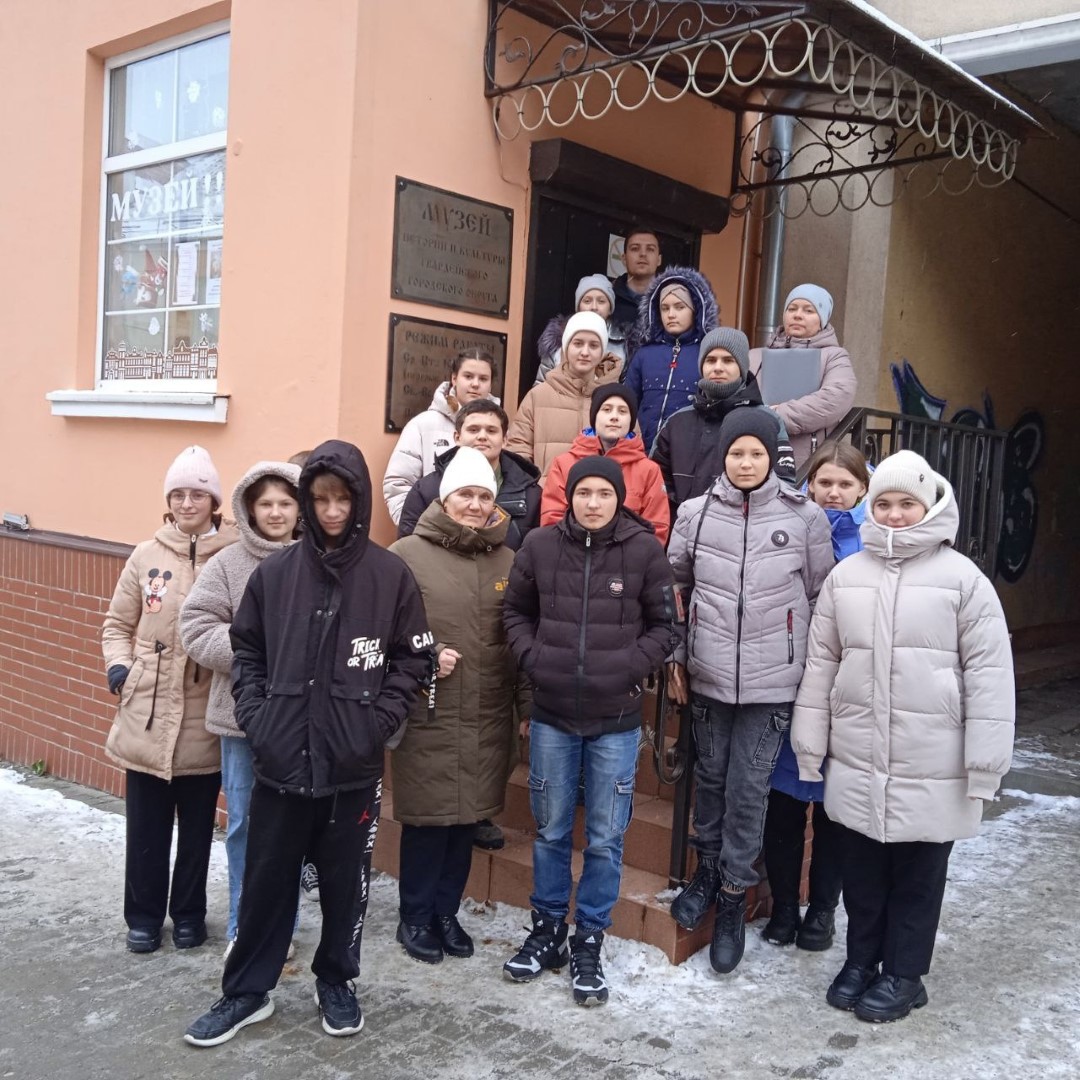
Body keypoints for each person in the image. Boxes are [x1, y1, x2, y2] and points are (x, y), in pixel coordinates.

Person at [184, 440, 433, 1047]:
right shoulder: (274, 576)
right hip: (280, 761)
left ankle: (337, 981)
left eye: (342, 499)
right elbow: (246, 650)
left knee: (346, 887)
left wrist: (377, 723)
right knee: (266, 882)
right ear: (305, 502)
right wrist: (259, 718)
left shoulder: (390, 576)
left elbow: (412, 659)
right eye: (320, 499)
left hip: (353, 767)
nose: (331, 511)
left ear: (359, 501)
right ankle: (247, 991)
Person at [791, 450, 1015, 1023]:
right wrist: (810, 745)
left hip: (933, 760)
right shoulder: (846, 577)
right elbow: (821, 666)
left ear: (929, 507)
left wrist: (985, 765)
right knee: (863, 872)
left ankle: (904, 974)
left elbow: (990, 677)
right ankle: (861, 961)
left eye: (906, 504)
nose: (893, 514)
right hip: (860, 755)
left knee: (918, 876)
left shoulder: (964, 581)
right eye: (884, 503)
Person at [502, 456, 677, 1006]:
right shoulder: (539, 546)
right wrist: (535, 659)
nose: (593, 502)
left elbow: (666, 625)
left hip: (615, 720)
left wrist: (627, 666)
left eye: (604, 493)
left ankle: (589, 938)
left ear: (619, 498)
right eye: (584, 493)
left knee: (604, 837)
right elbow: (514, 612)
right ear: (570, 496)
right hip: (552, 714)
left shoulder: (643, 550)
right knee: (551, 829)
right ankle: (548, 929)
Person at [666, 410, 833, 974]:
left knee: (748, 789)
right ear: (724, 456)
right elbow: (674, 587)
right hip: (709, 676)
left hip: (773, 684)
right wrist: (676, 657)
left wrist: (810, 672)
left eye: (755, 453)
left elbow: (820, 597)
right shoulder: (695, 513)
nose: (745, 462)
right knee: (711, 781)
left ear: (771, 457)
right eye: (736, 452)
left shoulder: (804, 516)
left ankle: (734, 896)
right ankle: (706, 872)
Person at [388, 447, 527, 964]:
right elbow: (384, 629)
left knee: (467, 820)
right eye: (465, 494)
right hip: (431, 710)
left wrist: (526, 706)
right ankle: (415, 915)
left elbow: (518, 636)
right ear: (445, 499)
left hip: (488, 711)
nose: (475, 505)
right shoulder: (406, 555)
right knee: (430, 821)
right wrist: (425, 653)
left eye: (484, 496)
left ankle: (446, 913)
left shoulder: (508, 559)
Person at [102, 445, 239, 955]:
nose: (186, 503)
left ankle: (188, 915)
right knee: (146, 828)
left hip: (206, 709)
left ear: (214, 501)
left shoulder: (233, 555)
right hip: (147, 708)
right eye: (178, 494)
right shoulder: (146, 555)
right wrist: (121, 668)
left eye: (197, 494)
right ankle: (142, 917)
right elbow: (117, 624)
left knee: (199, 828)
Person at [179, 460, 302, 958]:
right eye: (265, 503)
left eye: (285, 503)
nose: (275, 512)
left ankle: (283, 927)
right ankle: (243, 927)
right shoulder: (228, 564)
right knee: (246, 826)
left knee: (293, 831)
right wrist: (255, 650)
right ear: (249, 509)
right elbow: (196, 626)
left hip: (303, 723)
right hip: (241, 721)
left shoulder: (319, 561)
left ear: (300, 509)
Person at [760, 441, 871, 952]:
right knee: (783, 804)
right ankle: (785, 907)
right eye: (824, 482)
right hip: (789, 685)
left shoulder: (873, 543)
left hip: (847, 697)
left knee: (835, 811)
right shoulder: (789, 530)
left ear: (862, 489)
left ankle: (823, 910)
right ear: (808, 485)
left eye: (845, 484)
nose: (833, 492)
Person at [651, 327, 795, 513]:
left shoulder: (768, 420)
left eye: (728, 360)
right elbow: (654, 484)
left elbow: (784, 485)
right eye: (711, 360)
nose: (718, 368)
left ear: (742, 367)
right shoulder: (676, 422)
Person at [398, 400, 541, 552]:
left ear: (505, 440)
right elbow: (409, 552)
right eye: (473, 430)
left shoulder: (531, 495)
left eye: (491, 431)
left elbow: (535, 555)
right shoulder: (426, 490)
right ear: (457, 437)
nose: (482, 436)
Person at [541, 384, 669, 545]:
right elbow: (552, 521)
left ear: (631, 420)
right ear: (594, 416)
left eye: (622, 411)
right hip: (572, 556)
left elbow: (656, 529)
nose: (614, 417)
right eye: (607, 410)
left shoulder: (649, 470)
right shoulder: (563, 464)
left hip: (627, 558)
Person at [748, 284, 857, 471]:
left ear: (822, 320)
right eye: (792, 309)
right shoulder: (754, 356)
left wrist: (777, 416)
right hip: (752, 456)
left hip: (805, 464)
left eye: (808, 310)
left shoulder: (834, 356)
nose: (797, 315)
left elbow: (836, 397)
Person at [383, 348, 498, 524]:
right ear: (454, 379)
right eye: (468, 376)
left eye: (483, 379)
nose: (475, 384)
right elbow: (398, 484)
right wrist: (417, 528)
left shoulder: (499, 431)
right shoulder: (423, 425)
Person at [505, 312, 618, 480]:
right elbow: (518, 451)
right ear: (566, 346)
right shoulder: (538, 396)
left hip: (600, 495)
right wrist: (534, 490)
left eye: (594, 345)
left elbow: (632, 454)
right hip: (546, 494)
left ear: (603, 351)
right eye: (578, 343)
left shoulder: (616, 399)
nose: (585, 352)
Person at [623, 266, 719, 453]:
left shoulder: (708, 354)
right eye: (664, 308)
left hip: (687, 454)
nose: (671, 314)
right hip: (640, 452)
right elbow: (627, 403)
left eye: (679, 307)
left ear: (696, 310)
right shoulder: (644, 354)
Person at [535, 274, 627, 385]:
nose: (594, 307)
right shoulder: (557, 339)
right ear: (578, 307)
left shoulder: (624, 343)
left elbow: (625, 389)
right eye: (587, 301)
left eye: (601, 301)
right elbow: (540, 386)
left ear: (610, 308)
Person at [611, 228, 663, 328]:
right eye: (635, 248)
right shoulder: (608, 297)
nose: (643, 254)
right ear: (624, 259)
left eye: (650, 249)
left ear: (659, 260)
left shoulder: (672, 300)